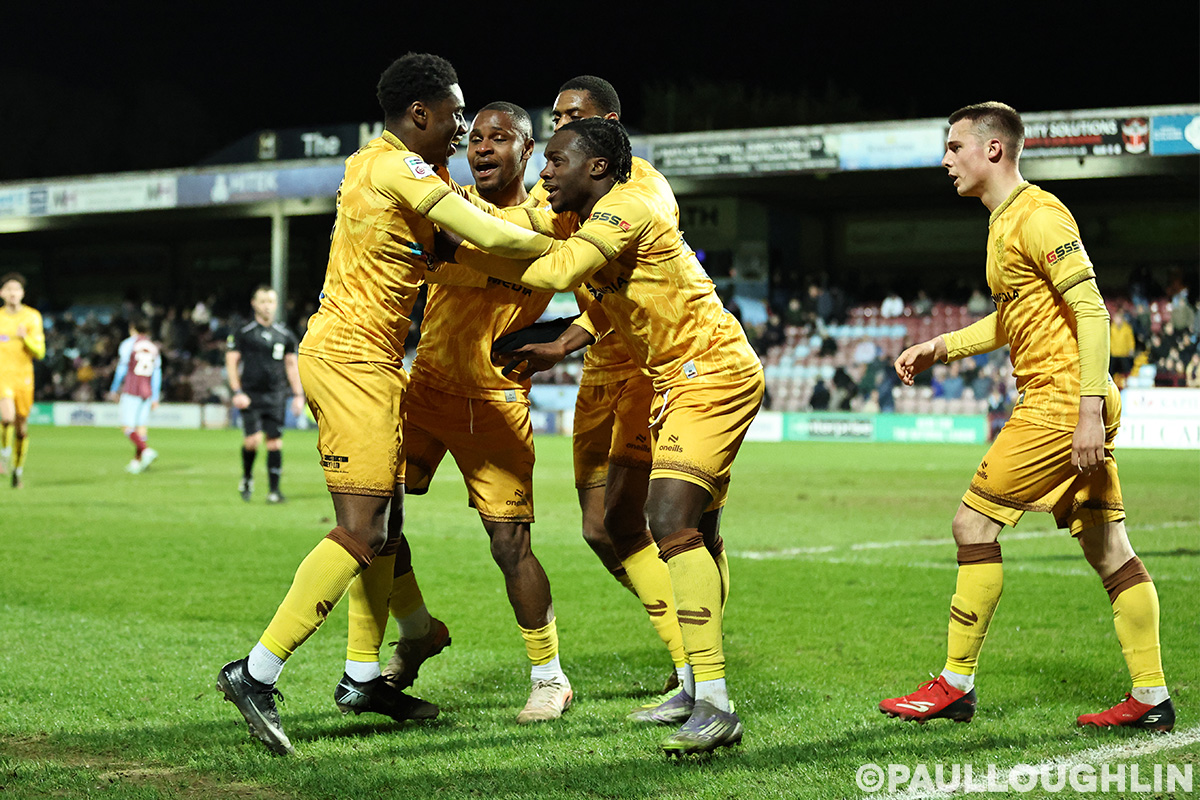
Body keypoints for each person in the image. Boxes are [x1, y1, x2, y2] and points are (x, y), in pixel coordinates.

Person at [216, 52, 556, 755]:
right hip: (352, 361)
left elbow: (462, 252)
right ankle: (256, 672)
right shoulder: (396, 167)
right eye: (457, 116)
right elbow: (492, 235)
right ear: (419, 113)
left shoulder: (386, 170)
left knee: (386, 522)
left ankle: (364, 675)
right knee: (361, 531)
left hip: (367, 362)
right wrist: (575, 252)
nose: (463, 129)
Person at [453, 118, 763, 755]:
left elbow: (557, 269)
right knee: (671, 527)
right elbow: (529, 234)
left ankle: (716, 705)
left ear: (596, 166)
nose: (544, 172)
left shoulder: (628, 206)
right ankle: (693, 685)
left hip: (713, 371)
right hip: (671, 379)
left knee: (668, 518)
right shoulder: (578, 214)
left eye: (556, 160)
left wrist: (454, 231)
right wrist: (453, 231)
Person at [879, 102, 1173, 732]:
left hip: (1060, 401)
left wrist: (1087, 410)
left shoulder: (1039, 215)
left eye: (955, 146)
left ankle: (955, 684)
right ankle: (1151, 696)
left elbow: (1092, 310)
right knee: (1109, 548)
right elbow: (1013, 320)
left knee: (971, 525)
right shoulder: (1003, 222)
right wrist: (940, 346)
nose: (945, 160)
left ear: (993, 150)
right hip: (1071, 400)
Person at [372, 102, 575, 723]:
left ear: (528, 150)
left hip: (494, 402)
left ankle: (549, 677)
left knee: (510, 545)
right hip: (426, 389)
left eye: (499, 138)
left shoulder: (553, 219)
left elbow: (610, 292)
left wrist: (563, 340)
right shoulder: (447, 202)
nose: (482, 147)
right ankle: (416, 631)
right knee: (372, 519)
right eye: (476, 137)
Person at [532, 76, 689, 697]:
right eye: (554, 118)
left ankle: (693, 652)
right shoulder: (563, 184)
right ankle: (688, 636)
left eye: (572, 117)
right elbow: (527, 225)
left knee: (659, 521)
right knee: (598, 529)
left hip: (650, 367)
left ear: (608, 128)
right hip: (599, 366)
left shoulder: (643, 191)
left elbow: (597, 274)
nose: (558, 128)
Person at [226, 286, 304, 503]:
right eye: (263, 301)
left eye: (271, 301)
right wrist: (236, 391)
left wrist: (298, 395)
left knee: (274, 442)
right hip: (250, 394)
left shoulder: (285, 334)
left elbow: (291, 365)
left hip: (276, 395)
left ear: (276, 304)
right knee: (252, 441)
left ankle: (274, 491)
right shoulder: (244, 332)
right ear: (254, 303)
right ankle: (247, 477)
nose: (267, 306)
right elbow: (232, 362)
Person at [0, 273, 45, 488]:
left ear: (22, 293)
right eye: (8, 289)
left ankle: (17, 471)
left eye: (16, 289)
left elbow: (40, 352)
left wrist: (25, 337)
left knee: (21, 428)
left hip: (24, 378)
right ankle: (4, 454)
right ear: (2, 293)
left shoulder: (32, 317)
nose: (12, 293)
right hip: (2, 376)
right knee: (7, 417)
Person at [109, 318, 162, 473]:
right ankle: (137, 462)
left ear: (133, 328)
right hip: (147, 391)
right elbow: (157, 373)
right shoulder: (153, 347)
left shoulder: (128, 344)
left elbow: (122, 367)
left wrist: (114, 388)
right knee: (141, 427)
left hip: (132, 390)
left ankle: (146, 450)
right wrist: (155, 396)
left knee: (126, 426)